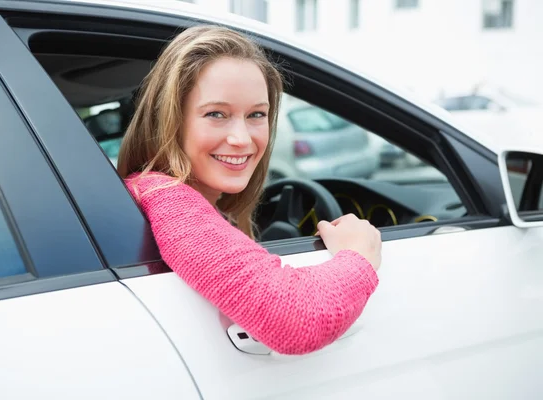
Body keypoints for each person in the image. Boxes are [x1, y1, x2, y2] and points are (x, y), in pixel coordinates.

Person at [117, 25, 382, 355]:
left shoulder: (161, 194)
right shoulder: (167, 197)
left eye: (256, 114)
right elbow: (299, 320)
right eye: (216, 114)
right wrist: (359, 253)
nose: (242, 138)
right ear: (170, 120)